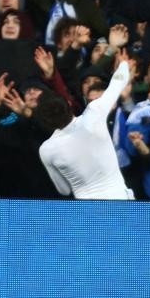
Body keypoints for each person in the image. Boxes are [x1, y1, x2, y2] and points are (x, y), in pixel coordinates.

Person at [37, 54, 135, 199]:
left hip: (86, 208)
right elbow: (118, 82)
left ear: (44, 121)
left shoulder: (47, 150)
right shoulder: (95, 113)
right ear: (68, 104)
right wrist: (123, 65)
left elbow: (64, 190)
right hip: (120, 199)